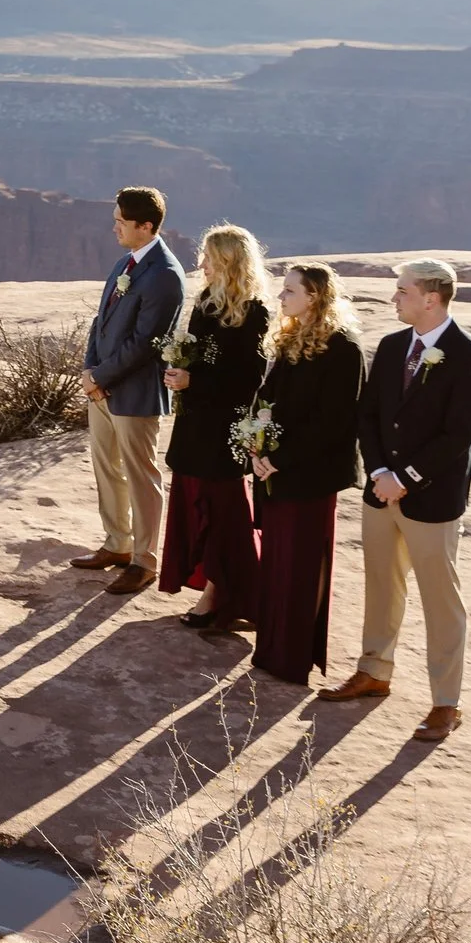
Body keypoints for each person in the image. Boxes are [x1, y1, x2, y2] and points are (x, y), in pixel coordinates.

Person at [321, 259, 471, 742]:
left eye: (402, 291)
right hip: (381, 492)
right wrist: (379, 472)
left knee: (441, 601)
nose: (394, 299)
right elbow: (369, 414)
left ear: (431, 299)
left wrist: (406, 478)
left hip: (431, 499)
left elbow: (457, 435)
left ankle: (446, 702)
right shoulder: (393, 345)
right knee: (381, 585)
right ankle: (373, 671)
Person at [248, 263, 366, 687]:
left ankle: (293, 658)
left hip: (310, 476)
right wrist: (256, 447)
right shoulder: (290, 337)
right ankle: (270, 651)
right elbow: (265, 400)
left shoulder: (343, 348)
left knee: (301, 565)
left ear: (314, 296)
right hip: (275, 470)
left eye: (289, 291)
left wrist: (280, 458)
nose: (281, 297)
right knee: (277, 562)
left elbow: (334, 423)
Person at [157, 224, 273, 636]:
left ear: (227, 261)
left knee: (224, 514)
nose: (201, 263)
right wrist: (180, 371)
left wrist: (195, 381)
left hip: (224, 429)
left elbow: (249, 380)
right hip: (195, 424)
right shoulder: (206, 302)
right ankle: (214, 585)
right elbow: (196, 355)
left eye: (208, 256)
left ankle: (218, 594)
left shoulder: (254, 311)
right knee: (195, 504)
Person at [72, 187, 187, 596]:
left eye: (122, 221)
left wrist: (101, 377)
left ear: (146, 226)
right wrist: (90, 370)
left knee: (141, 475)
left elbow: (145, 343)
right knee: (106, 466)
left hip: (135, 393)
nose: (115, 227)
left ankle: (144, 560)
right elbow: (99, 322)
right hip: (103, 387)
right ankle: (117, 543)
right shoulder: (126, 263)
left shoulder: (165, 274)